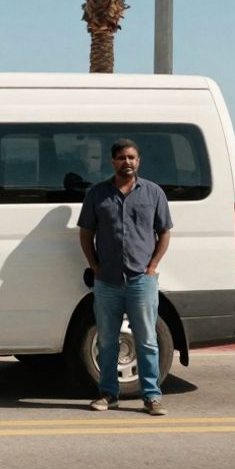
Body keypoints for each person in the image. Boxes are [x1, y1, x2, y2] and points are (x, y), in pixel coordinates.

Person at [77, 139, 173, 415]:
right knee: (107, 340)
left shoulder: (153, 193)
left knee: (146, 340)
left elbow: (164, 231)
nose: (126, 162)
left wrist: (152, 266)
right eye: (121, 157)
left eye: (131, 157)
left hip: (141, 280)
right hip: (107, 280)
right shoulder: (98, 194)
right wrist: (94, 265)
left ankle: (152, 397)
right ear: (112, 162)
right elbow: (85, 233)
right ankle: (108, 394)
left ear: (139, 161)